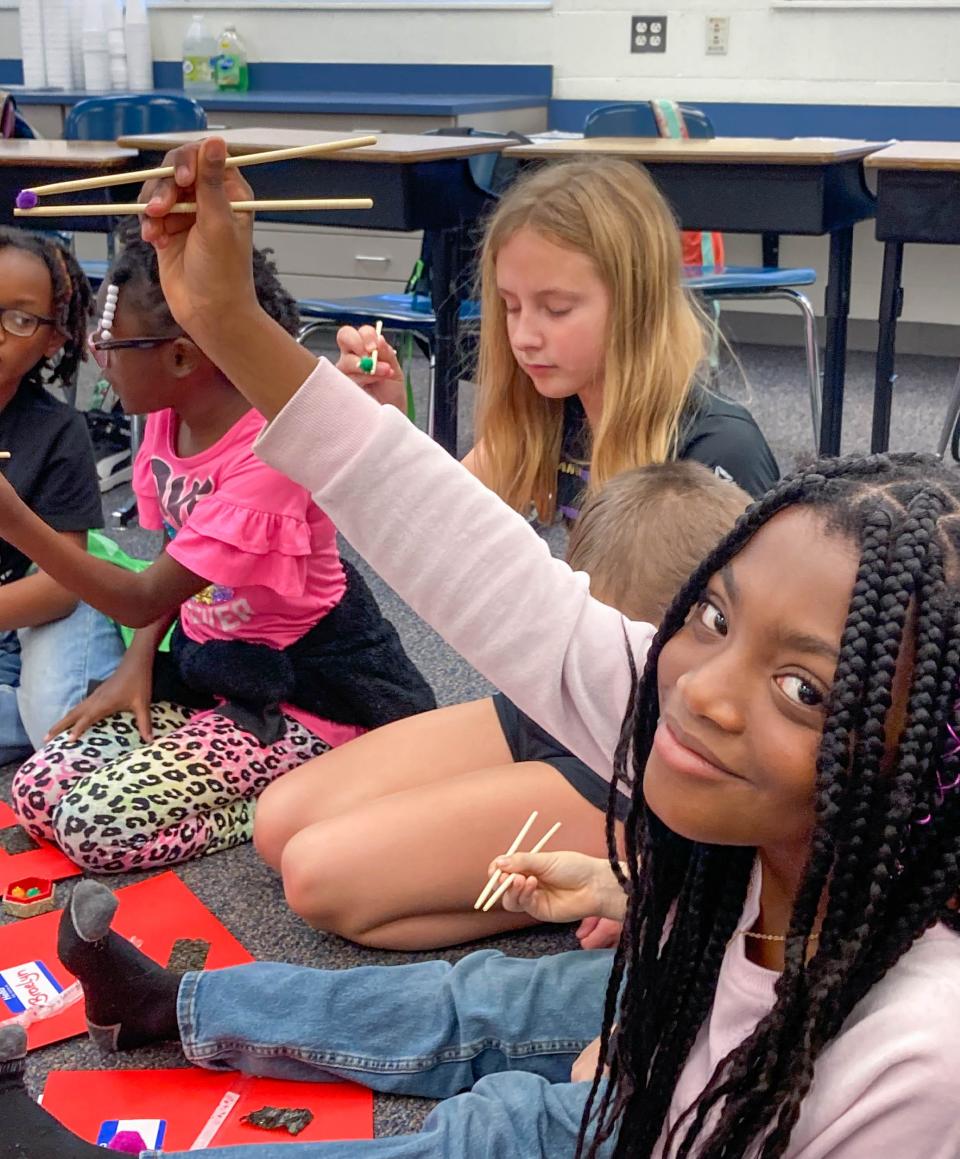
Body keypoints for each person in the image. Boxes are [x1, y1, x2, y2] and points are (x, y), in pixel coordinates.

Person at [4, 447, 960, 1159]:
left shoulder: (921, 1062)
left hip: (699, 1101)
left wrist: (653, 1086)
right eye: (711, 616)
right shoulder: (785, 844)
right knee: (491, 996)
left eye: (806, 688)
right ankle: (175, 1005)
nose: (704, 687)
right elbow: (499, 583)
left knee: (493, 1125)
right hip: (689, 1026)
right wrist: (626, 893)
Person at [4, 229, 434, 873]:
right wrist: (135, 666)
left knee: (94, 827)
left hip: (305, 693)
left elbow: (141, 593)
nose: (99, 358)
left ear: (180, 358)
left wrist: (14, 521)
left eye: (111, 345)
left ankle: (318, 779)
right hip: (212, 670)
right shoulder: (164, 417)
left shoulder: (271, 452)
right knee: (36, 791)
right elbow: (172, 564)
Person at [255, 462, 749, 949]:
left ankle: (618, 873)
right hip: (548, 709)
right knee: (276, 823)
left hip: (622, 777)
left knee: (313, 877)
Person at [336, 156, 779, 520]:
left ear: (636, 304)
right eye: (511, 306)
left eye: (557, 309)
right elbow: (434, 524)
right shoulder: (552, 410)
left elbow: (748, 621)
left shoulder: (716, 450)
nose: (523, 337)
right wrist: (385, 425)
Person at [0, 227, 124, 761]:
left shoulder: (57, 431)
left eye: (20, 319)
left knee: (57, 725)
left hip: (33, 618)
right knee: (49, 726)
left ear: (54, 338)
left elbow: (59, 588)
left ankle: (65, 710)